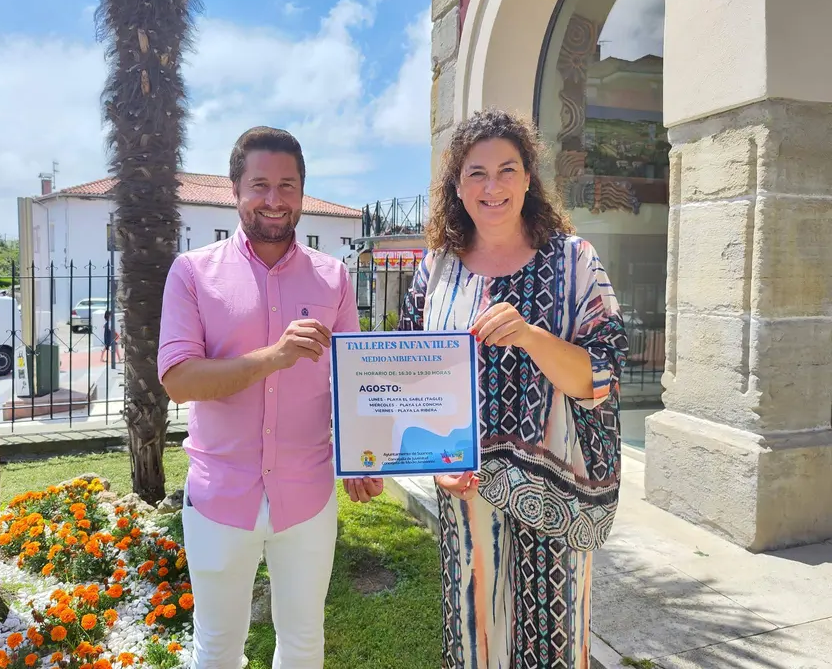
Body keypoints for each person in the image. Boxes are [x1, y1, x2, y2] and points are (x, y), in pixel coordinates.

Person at [397, 108, 628, 668]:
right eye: (476, 173)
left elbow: (601, 378)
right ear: (457, 185)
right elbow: (411, 381)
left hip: (554, 500)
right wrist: (431, 461)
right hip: (466, 497)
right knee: (476, 639)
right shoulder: (437, 270)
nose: (492, 186)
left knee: (553, 642)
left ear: (529, 177)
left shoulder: (575, 263)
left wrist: (529, 336)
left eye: (507, 170)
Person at [157, 126, 383, 669]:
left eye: (288, 185)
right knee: (216, 648)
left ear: (302, 193)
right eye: (260, 184)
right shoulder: (192, 273)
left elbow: (353, 378)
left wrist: (362, 456)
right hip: (219, 497)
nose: (274, 199)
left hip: (308, 495)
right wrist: (273, 356)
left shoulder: (334, 278)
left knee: (304, 644)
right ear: (235, 189)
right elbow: (178, 379)